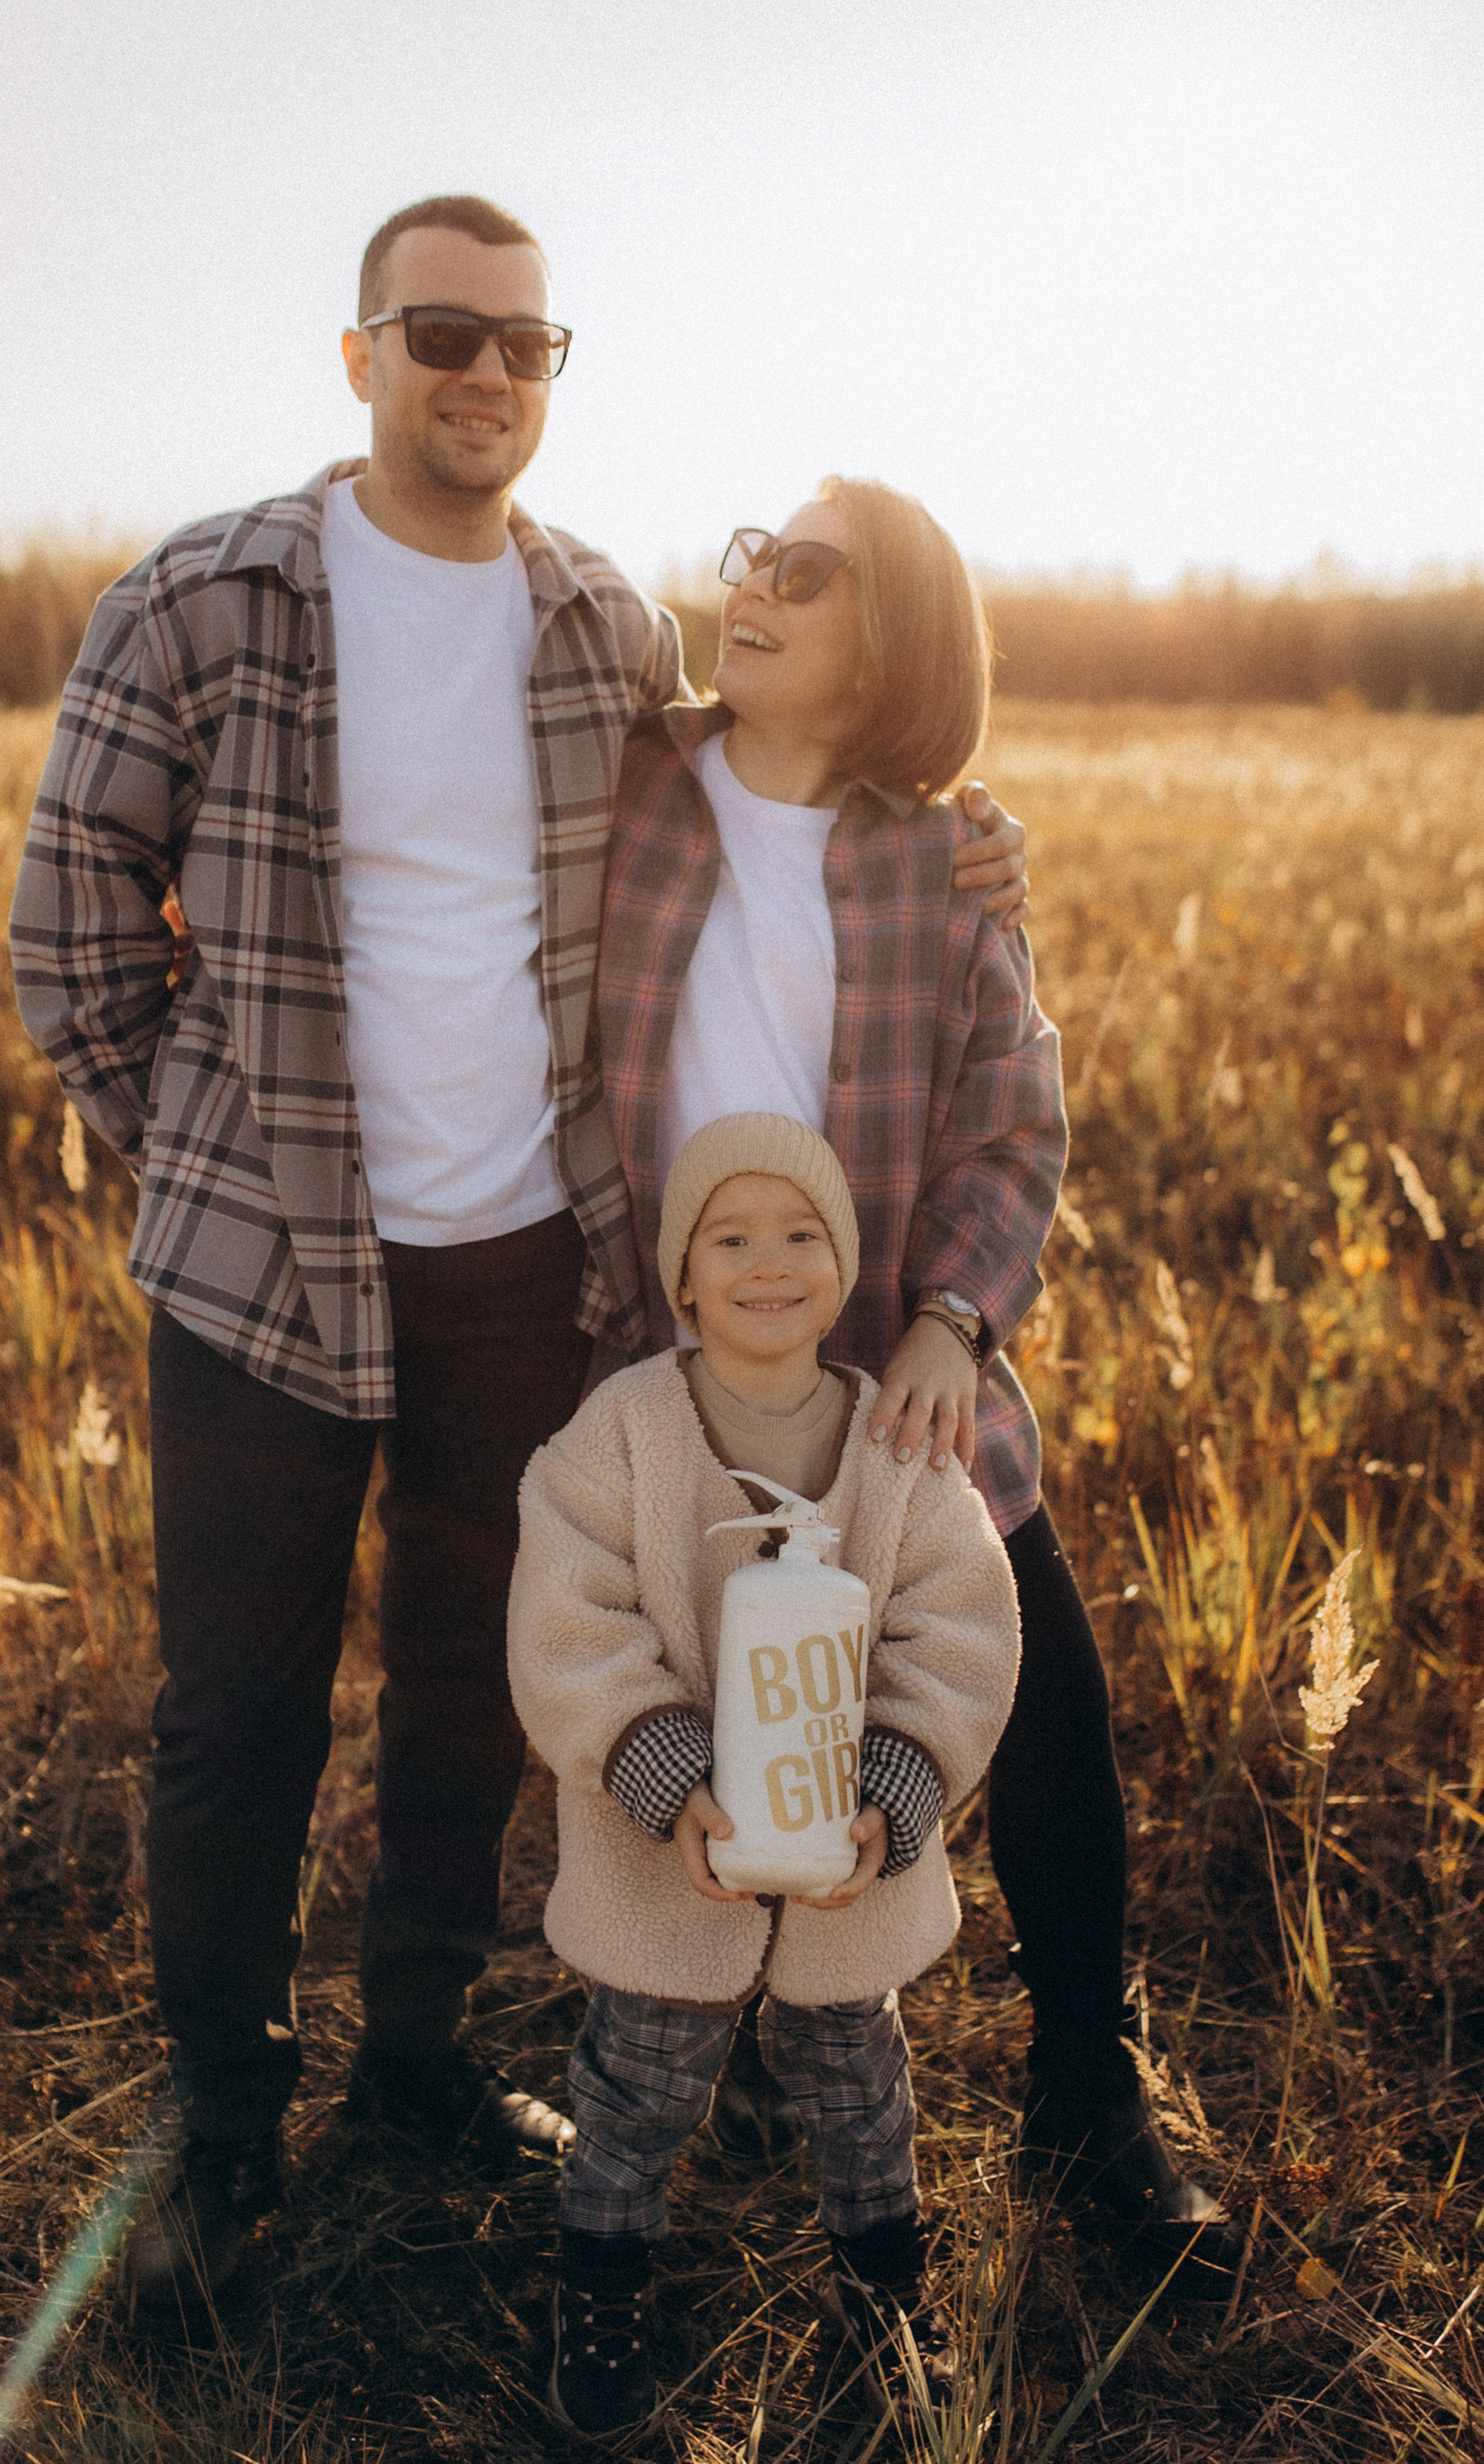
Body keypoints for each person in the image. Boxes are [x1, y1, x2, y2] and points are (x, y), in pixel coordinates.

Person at [8, 193, 1030, 2325]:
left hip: (519, 1272)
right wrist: (194, 1144)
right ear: (361, 352)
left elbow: (770, 821)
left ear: (551, 377)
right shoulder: (200, 599)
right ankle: (219, 2114)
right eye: (442, 333)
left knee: (478, 1689)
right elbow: (70, 928)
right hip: (266, 1272)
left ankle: (414, 2062)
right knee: (235, 1711)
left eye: (523, 346)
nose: (483, 374)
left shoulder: (594, 623)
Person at [596, 481, 1245, 2286]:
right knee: (700, 1694)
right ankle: (712, 2045)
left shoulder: (941, 861)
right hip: (679, 1371)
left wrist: (958, 1317)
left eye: (812, 572)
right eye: (752, 555)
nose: (757, 590)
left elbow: (1014, 1124)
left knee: (1038, 1673)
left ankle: (1086, 2084)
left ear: (899, 647)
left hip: (890, 1352)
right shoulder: (634, 788)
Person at [508, 1115, 1021, 2438]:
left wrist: (895, 1797)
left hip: (849, 1856)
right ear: (682, 1276)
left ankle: (881, 2296)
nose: (767, 1262)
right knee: (637, 2081)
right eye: (729, 1237)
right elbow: (571, 1620)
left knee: (859, 2082)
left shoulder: (893, 1439)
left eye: (801, 1234)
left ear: (845, 1266)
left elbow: (957, 1631)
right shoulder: (620, 1431)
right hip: (664, 1847)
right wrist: (666, 1775)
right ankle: (604, 2291)